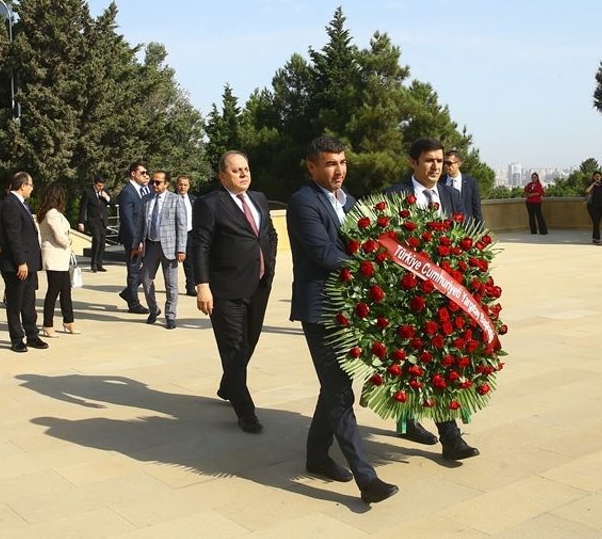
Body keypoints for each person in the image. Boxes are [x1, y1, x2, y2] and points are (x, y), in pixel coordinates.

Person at [287, 136, 399, 504]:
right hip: (320, 309)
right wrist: (374, 268)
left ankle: (317, 456)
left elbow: (371, 239)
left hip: (350, 308)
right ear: (312, 166)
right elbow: (323, 253)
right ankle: (366, 479)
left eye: (343, 162)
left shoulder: (350, 202)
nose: (339, 170)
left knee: (333, 384)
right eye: (331, 164)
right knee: (338, 390)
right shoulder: (303, 202)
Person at [383, 137, 481, 461]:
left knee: (440, 361)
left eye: (440, 160)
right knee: (412, 364)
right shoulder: (394, 195)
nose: (436, 166)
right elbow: (386, 243)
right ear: (413, 162)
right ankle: (415, 421)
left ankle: (449, 436)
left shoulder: (452, 196)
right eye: (429, 160)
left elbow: (463, 237)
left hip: (445, 295)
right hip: (409, 294)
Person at [192, 150, 277, 434]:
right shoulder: (210, 204)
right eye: (236, 170)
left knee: (249, 343)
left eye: (246, 169)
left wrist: (271, 262)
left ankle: (229, 385)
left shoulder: (259, 199)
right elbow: (200, 245)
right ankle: (246, 412)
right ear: (222, 175)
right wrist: (202, 285)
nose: (244, 174)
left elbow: (269, 234)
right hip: (225, 290)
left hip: (259, 286)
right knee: (235, 348)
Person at [0, 172, 47, 352]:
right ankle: (17, 338)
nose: (32, 189)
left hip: (29, 262)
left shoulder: (21, 204)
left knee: (29, 301)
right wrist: (21, 261)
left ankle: (32, 334)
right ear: (23, 186)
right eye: (31, 185)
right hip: (16, 265)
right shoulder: (11, 204)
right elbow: (13, 235)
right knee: (15, 302)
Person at [141, 171, 187, 329]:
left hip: (169, 248)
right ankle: (154, 309)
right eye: (152, 182)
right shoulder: (146, 200)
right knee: (146, 280)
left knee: (171, 285)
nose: (154, 185)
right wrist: (138, 243)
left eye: (158, 182)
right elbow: (142, 224)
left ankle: (170, 316)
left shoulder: (176, 200)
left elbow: (181, 226)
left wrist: (181, 249)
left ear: (166, 184)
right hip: (151, 246)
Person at [38, 183, 76, 336]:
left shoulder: (53, 213)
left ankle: (69, 320)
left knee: (66, 290)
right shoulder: (52, 214)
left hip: (60, 257)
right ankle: (48, 324)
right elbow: (60, 236)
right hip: (54, 256)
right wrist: (69, 241)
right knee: (53, 291)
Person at [115, 161, 151, 314]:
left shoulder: (143, 190)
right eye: (142, 173)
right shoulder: (127, 193)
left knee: (148, 269)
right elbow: (128, 220)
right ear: (133, 174)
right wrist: (137, 242)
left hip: (145, 237)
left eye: (146, 173)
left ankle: (128, 292)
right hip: (134, 240)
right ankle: (133, 303)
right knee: (134, 270)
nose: (146, 175)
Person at [76, 176, 109, 272]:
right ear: (94, 184)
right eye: (99, 186)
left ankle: (99, 263)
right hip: (93, 221)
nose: (100, 188)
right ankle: (93, 263)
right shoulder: (88, 192)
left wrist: (106, 197)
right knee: (97, 239)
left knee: (102, 243)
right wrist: (81, 222)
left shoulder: (104, 192)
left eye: (102, 186)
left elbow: (112, 203)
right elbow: (83, 208)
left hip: (103, 221)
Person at [442, 149, 484, 223]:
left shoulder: (471, 182)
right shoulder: (440, 181)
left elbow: (477, 210)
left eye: (449, 163)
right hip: (445, 227)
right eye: (444, 162)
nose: (446, 166)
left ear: (458, 164)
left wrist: (480, 232)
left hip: (466, 227)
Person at [175, 175, 196, 295]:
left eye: (185, 185)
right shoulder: (171, 198)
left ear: (189, 186)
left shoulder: (194, 200)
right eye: (180, 184)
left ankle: (191, 286)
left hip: (189, 233)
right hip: (174, 235)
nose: (182, 187)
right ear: (177, 185)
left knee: (190, 262)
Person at [585, 171, 602, 245]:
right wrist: (593, 184)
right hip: (592, 206)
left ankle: (594, 238)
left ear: (601, 177)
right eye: (596, 176)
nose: (597, 177)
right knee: (596, 222)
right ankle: (598, 239)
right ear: (593, 177)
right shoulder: (591, 185)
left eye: (599, 176)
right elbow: (587, 191)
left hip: (600, 207)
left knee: (597, 223)